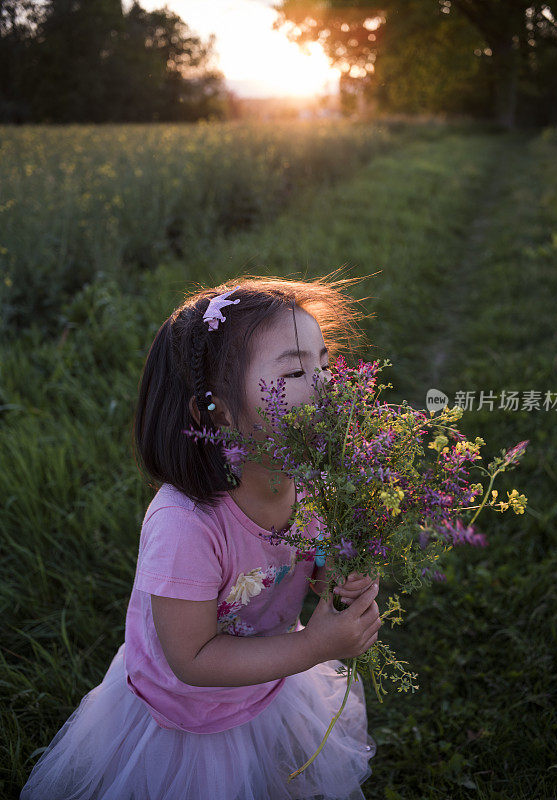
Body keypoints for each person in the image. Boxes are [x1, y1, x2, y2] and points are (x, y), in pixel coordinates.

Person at [21, 275, 381, 800]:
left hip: (270, 678)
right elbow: (192, 659)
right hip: (186, 716)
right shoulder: (185, 523)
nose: (327, 383)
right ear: (216, 412)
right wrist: (316, 645)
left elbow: (322, 566)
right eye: (297, 371)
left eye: (326, 363)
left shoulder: (316, 481)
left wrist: (347, 575)